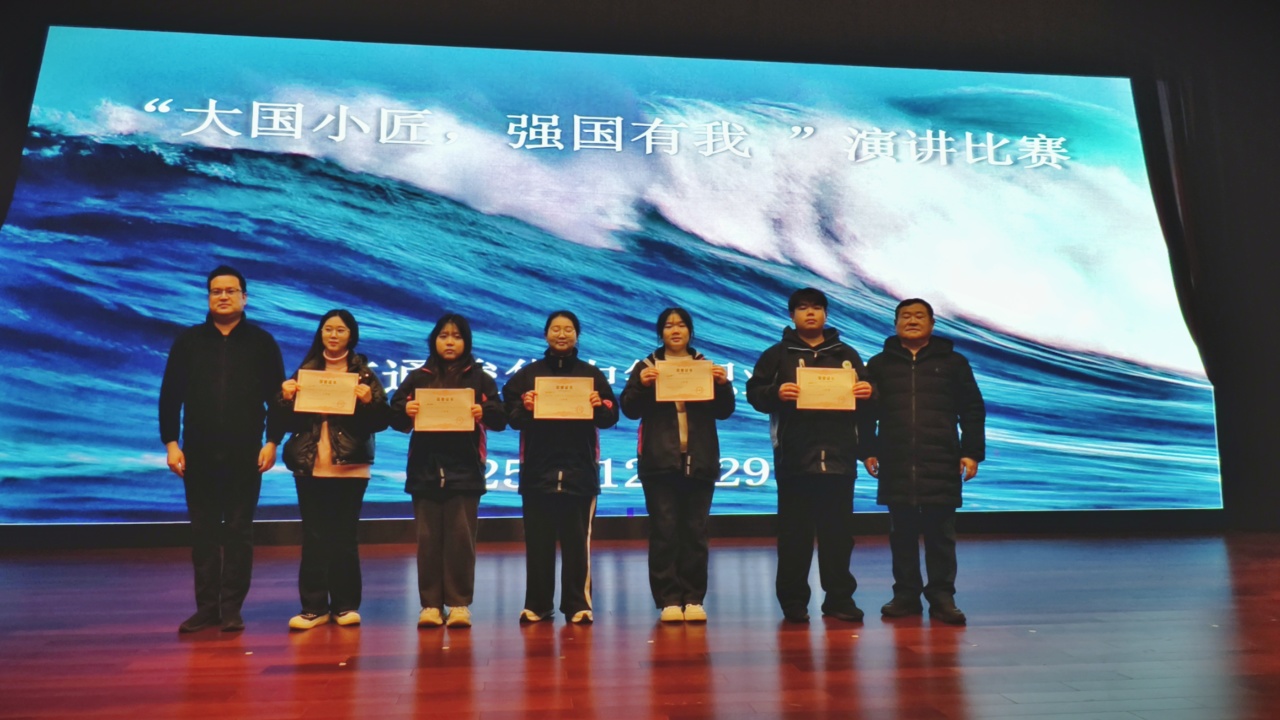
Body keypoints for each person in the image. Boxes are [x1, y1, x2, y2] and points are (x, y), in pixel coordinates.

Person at [159, 265, 285, 633]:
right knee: (203, 534)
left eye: (231, 291)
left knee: (239, 533)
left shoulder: (262, 342)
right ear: (208, 297)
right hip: (197, 453)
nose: (224, 296)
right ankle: (206, 609)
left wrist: (273, 441)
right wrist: (171, 443)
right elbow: (170, 396)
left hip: (246, 454)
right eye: (216, 291)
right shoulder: (189, 341)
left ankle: (231, 608)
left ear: (245, 297)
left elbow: (278, 398)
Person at [745, 287, 874, 623]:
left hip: (839, 459)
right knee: (794, 537)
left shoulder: (847, 354)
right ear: (792, 316)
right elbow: (754, 393)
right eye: (802, 308)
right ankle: (793, 602)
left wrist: (869, 392)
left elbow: (869, 402)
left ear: (826, 314)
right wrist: (776, 392)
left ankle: (839, 600)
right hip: (794, 460)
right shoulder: (777, 354)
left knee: (838, 536)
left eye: (817, 307)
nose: (810, 313)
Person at [859, 298, 986, 625]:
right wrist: (868, 449)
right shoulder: (879, 364)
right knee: (901, 534)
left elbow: (972, 409)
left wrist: (971, 452)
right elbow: (866, 413)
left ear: (931, 323)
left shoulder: (953, 362)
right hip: (895, 458)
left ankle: (942, 597)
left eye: (919, 316)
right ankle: (906, 595)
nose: (912, 321)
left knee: (940, 535)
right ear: (895, 323)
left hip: (942, 458)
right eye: (905, 316)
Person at [389, 314, 507, 629]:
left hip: (466, 470)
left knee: (460, 541)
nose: (450, 342)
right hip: (424, 470)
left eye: (457, 336)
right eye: (444, 336)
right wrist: (406, 411)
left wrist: (484, 412)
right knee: (427, 541)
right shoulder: (417, 378)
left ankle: (458, 605)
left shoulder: (480, 379)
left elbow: (500, 417)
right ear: (434, 340)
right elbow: (395, 418)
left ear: (466, 341)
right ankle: (430, 605)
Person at [502, 310, 619, 624]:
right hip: (537, 470)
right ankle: (538, 605)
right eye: (556, 329)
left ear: (577, 335)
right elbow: (510, 417)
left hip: (580, 470)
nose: (562, 334)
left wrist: (599, 406)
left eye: (568, 329)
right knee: (538, 542)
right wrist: (525, 407)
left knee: (577, 543)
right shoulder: (528, 375)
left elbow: (611, 416)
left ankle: (578, 604)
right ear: (546, 335)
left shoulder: (592, 375)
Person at [276, 309, 390, 630]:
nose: (334, 335)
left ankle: (345, 606)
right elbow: (286, 422)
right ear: (321, 333)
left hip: (350, 467)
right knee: (314, 537)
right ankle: (313, 607)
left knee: (344, 537)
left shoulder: (363, 374)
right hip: (310, 466)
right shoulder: (306, 371)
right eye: (328, 329)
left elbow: (383, 420)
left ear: (351, 335)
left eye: (341, 330)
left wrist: (368, 402)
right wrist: (284, 399)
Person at [620, 307, 735, 623]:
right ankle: (669, 599)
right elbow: (628, 409)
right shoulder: (646, 366)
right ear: (661, 332)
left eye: (681, 325)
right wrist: (641, 385)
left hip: (700, 460)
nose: (675, 330)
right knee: (664, 530)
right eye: (669, 325)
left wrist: (723, 384)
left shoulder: (705, 366)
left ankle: (694, 598)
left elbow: (725, 411)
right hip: (659, 461)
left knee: (696, 531)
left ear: (690, 331)